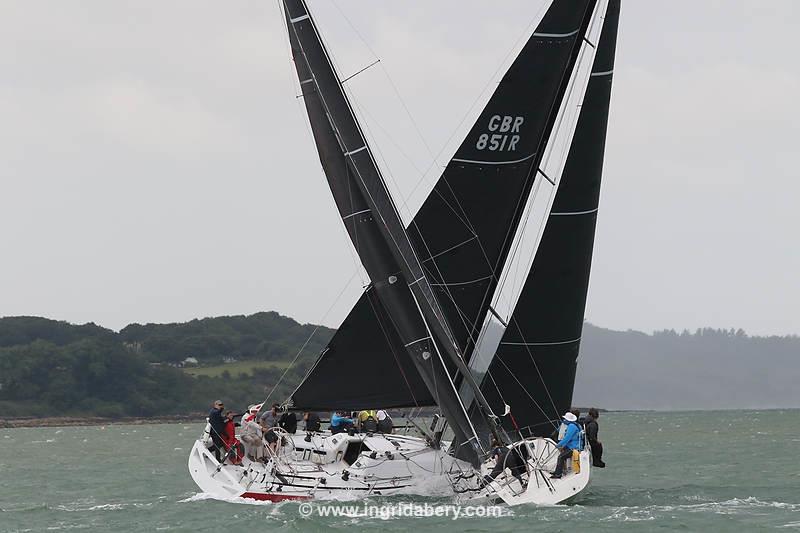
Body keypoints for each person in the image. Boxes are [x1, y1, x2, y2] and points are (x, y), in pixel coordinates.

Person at [550, 411, 582, 479]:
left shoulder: (571, 426)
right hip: (571, 446)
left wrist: (558, 445)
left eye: (565, 419)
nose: (564, 420)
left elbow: (567, 438)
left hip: (574, 448)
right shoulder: (574, 425)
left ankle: (558, 474)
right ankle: (558, 471)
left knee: (561, 457)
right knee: (561, 455)